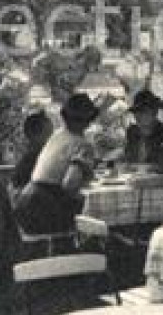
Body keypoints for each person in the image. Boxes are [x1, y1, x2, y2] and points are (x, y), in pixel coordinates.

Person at [13, 93, 98, 235]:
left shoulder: (57, 136)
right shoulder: (81, 144)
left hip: (25, 203)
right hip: (44, 209)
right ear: (88, 120)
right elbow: (69, 185)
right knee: (90, 218)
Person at [120, 90, 163, 165]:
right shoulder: (132, 131)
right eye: (135, 111)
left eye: (143, 111)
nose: (137, 115)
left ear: (154, 112)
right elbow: (128, 157)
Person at [9, 110, 53, 190]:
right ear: (34, 135)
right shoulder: (33, 160)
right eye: (49, 134)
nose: (52, 139)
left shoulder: (33, 157)